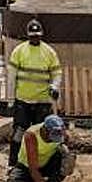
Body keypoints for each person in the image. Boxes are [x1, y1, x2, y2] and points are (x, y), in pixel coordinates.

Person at [7, 19, 61, 166]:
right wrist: (10, 100)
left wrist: (55, 87)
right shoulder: (19, 51)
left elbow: (56, 74)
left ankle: (39, 165)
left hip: (42, 102)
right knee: (18, 134)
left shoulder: (49, 52)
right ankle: (14, 164)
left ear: (41, 35)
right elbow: (11, 77)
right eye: (32, 36)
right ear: (28, 35)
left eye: (37, 35)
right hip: (23, 101)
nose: (35, 38)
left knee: (42, 135)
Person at [3, 114, 73, 182]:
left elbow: (66, 142)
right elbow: (33, 170)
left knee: (68, 160)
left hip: (46, 165)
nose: (54, 140)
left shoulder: (62, 133)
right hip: (26, 168)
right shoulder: (31, 135)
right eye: (53, 136)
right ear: (45, 130)